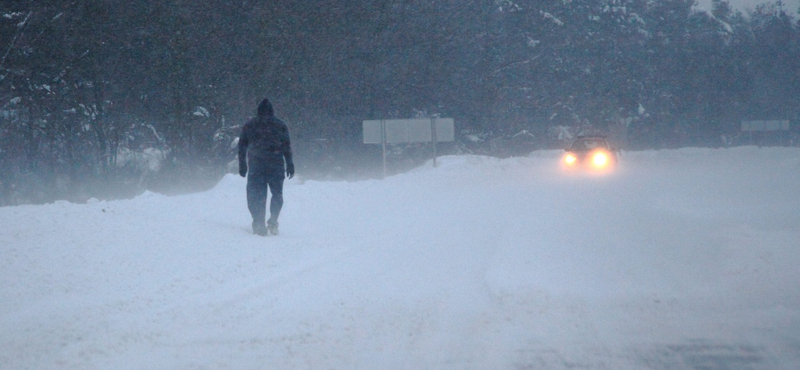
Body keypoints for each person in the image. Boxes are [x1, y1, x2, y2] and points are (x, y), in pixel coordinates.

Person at [238, 98, 295, 236]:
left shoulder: (250, 125)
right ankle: (273, 221)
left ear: (258, 111)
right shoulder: (280, 125)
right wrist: (290, 163)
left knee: (255, 195)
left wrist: (242, 164)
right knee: (277, 194)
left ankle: (258, 223)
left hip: (257, 165)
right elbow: (286, 146)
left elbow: (242, 146)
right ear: (272, 111)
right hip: (276, 165)